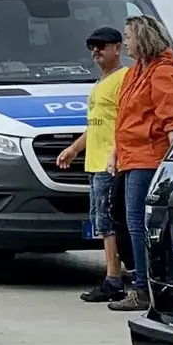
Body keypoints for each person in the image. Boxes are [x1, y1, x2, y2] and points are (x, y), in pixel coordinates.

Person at [108, 14, 173, 313]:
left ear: (141, 38)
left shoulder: (163, 73)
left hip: (148, 157)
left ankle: (144, 288)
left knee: (138, 225)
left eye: (128, 37)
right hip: (132, 157)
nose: (125, 42)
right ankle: (143, 285)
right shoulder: (136, 73)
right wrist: (116, 152)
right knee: (131, 223)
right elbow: (125, 117)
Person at [54, 27, 130, 301]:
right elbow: (96, 126)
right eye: (92, 47)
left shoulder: (124, 79)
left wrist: (117, 153)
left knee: (108, 222)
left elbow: (126, 122)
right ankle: (113, 276)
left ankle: (114, 279)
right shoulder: (100, 83)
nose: (95, 51)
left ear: (117, 48)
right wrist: (74, 149)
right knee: (101, 222)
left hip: (111, 163)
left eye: (101, 46)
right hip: (95, 162)